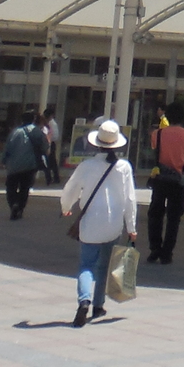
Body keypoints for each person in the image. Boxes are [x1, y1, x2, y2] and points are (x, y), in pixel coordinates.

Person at [60, 118, 137, 328]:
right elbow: (130, 198)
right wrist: (132, 227)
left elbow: (70, 190)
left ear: (96, 142)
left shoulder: (86, 166)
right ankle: (98, 305)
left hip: (90, 224)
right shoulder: (124, 167)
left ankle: (83, 300)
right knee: (105, 265)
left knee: (86, 265)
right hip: (113, 224)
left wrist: (66, 208)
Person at [145, 111, 184, 264]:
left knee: (155, 214)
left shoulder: (157, 134)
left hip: (160, 178)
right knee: (174, 218)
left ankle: (155, 248)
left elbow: (155, 152)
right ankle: (167, 253)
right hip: (178, 180)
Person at [2, 109, 45, 219]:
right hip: (30, 165)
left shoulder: (14, 132)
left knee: (11, 187)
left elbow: (7, 148)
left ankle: (13, 204)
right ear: (34, 119)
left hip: (13, 165)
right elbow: (45, 147)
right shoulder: (37, 131)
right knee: (24, 188)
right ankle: (20, 207)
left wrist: (4, 160)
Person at [40, 107, 62, 186]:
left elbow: (55, 136)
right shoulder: (46, 123)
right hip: (49, 143)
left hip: (50, 143)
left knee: (50, 162)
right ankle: (53, 178)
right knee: (50, 162)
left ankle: (52, 178)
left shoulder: (52, 124)